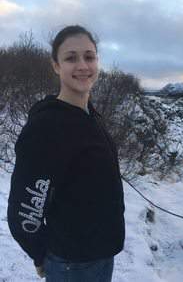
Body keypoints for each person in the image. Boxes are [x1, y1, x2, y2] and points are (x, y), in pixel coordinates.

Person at [6, 25, 124, 281]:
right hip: (73, 264)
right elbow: (24, 211)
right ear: (56, 65)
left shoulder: (89, 115)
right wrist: (40, 254)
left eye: (89, 56)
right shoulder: (47, 127)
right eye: (71, 57)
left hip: (101, 255)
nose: (83, 65)